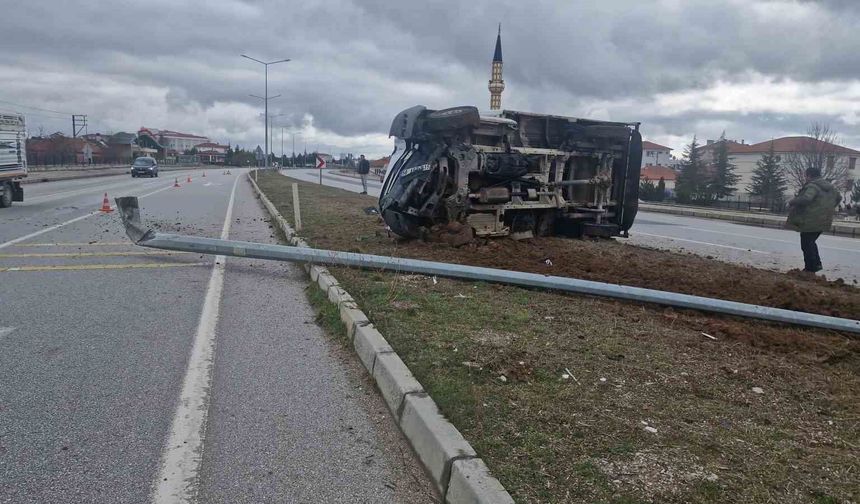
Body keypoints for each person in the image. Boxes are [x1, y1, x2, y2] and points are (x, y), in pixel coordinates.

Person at [786, 167, 842, 273]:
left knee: (806, 243)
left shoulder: (813, 186)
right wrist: (828, 208)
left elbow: (807, 198)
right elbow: (839, 198)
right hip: (825, 219)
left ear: (809, 175)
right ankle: (815, 264)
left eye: (805, 176)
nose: (805, 178)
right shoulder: (831, 188)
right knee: (810, 242)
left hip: (811, 219)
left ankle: (810, 268)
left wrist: (793, 201)